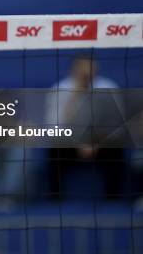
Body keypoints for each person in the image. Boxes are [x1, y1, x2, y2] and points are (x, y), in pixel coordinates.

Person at [45, 54, 125, 200]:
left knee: (116, 152)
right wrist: (75, 96)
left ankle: (114, 201)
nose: (87, 72)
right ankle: (55, 203)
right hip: (70, 143)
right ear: (74, 69)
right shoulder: (60, 89)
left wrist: (95, 143)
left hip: (101, 142)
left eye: (91, 67)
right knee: (55, 152)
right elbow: (54, 128)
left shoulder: (108, 87)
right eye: (83, 68)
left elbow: (116, 125)